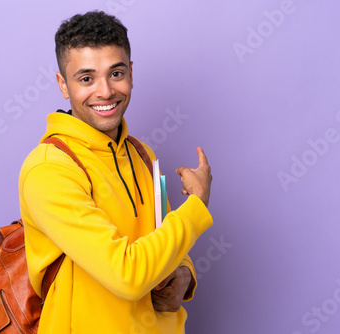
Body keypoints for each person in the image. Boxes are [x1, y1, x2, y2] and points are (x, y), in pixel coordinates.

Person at [19, 10, 213, 333]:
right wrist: (197, 205)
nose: (105, 91)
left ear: (132, 74)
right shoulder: (48, 170)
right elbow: (128, 276)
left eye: (116, 73)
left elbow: (165, 238)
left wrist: (184, 276)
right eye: (86, 78)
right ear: (62, 85)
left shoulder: (141, 154)